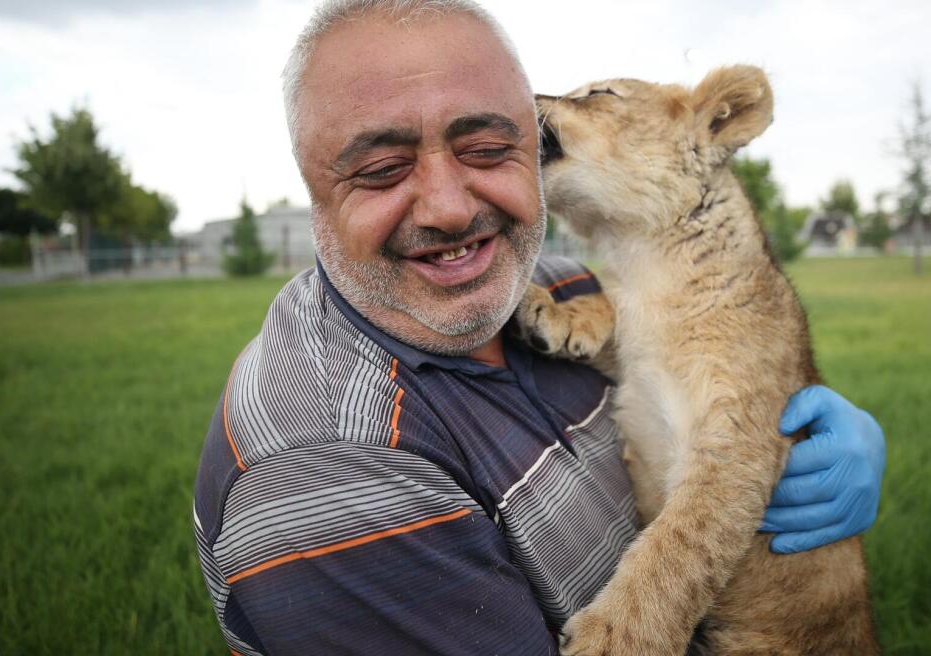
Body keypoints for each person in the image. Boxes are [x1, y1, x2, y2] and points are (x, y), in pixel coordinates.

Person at [193, 2, 887, 654]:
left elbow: (708, 370)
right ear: (313, 188)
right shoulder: (327, 468)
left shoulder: (556, 286)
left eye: (491, 146)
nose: (449, 210)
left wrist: (804, 420)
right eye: (382, 168)